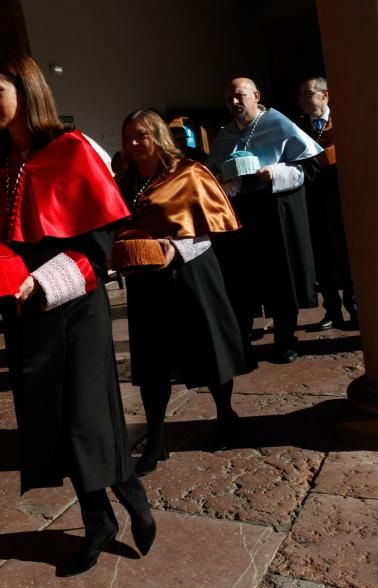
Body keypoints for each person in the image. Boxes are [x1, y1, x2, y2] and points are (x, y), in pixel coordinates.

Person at [0, 51, 155, 577]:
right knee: (53, 422)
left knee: (87, 420)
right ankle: (98, 521)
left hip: (76, 309)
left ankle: (131, 493)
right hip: (25, 316)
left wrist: (42, 282)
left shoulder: (72, 151)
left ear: (25, 91)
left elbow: (98, 248)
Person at [118, 109, 245, 468]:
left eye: (140, 135)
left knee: (208, 349)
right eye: (128, 137)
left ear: (157, 135)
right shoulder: (124, 180)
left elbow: (211, 228)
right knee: (151, 359)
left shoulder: (189, 172)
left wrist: (176, 249)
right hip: (145, 277)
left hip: (190, 271)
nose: (133, 143)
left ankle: (225, 416)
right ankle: (156, 436)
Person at [206, 77, 323, 364]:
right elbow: (211, 174)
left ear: (256, 95)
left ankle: (285, 341)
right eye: (229, 98)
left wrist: (274, 173)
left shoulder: (279, 124)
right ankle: (243, 341)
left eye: (240, 96)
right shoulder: (224, 136)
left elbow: (309, 167)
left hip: (275, 213)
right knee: (241, 281)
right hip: (240, 217)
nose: (234, 102)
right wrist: (223, 180)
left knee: (281, 279)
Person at [296, 76, 357, 330]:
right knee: (321, 255)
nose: (301, 98)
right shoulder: (296, 127)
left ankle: (354, 306)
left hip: (342, 199)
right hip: (312, 200)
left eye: (306, 93)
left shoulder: (343, 121)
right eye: (300, 94)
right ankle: (331, 310)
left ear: (324, 95)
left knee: (346, 253)